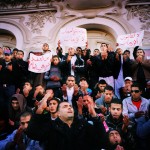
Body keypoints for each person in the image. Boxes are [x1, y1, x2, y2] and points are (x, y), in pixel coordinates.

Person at [26, 92, 107, 150]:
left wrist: (94, 115)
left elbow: (101, 141)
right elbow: (31, 133)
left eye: (70, 106)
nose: (69, 108)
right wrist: (40, 109)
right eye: (65, 106)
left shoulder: (82, 124)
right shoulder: (51, 127)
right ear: (58, 113)